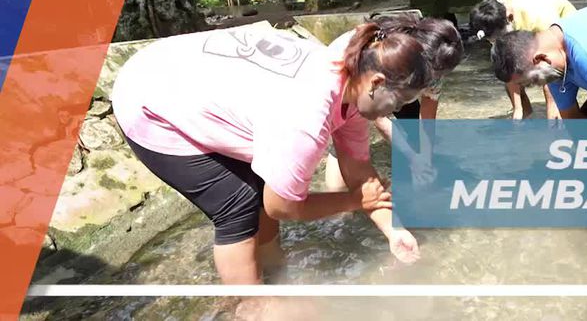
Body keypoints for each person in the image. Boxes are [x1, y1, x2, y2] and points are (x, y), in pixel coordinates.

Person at [111, 20, 428, 286]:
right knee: (239, 203)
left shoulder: (354, 78)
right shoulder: (307, 112)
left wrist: (393, 231)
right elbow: (282, 207)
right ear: (376, 83)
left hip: (190, 77)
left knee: (263, 183)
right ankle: (253, 307)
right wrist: (352, 202)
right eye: (399, 102)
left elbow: (359, 172)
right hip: (150, 98)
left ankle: (275, 273)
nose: (398, 110)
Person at [325, 16, 464, 192]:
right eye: (430, 77)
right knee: (343, 137)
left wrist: (424, 161)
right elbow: (379, 117)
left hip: (388, 86)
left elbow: (427, 119)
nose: (434, 81)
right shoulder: (382, 56)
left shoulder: (433, 65)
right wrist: (413, 158)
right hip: (351, 85)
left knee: (414, 137)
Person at [470, 0, 576, 120]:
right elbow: (508, 68)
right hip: (525, 24)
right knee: (511, 69)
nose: (498, 41)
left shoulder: (538, 17)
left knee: (547, 76)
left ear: (510, 18)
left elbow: (550, 66)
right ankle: (525, 114)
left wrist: (552, 107)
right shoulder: (489, 19)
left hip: (561, 22)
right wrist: (518, 109)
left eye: (500, 37)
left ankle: (557, 115)